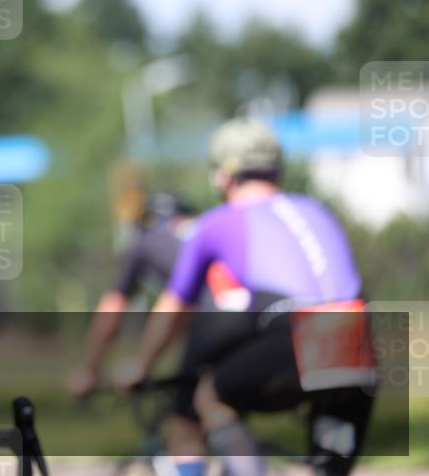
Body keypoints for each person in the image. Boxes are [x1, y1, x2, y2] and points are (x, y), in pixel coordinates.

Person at [114, 118, 376, 476]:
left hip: (297, 339)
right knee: (327, 461)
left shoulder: (217, 222)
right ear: (277, 170)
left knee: (210, 399)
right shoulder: (316, 209)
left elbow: (174, 307)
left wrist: (139, 365)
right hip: (357, 343)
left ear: (222, 177)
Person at [65, 192, 199, 399]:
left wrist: (92, 368)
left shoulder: (145, 243)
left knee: (183, 418)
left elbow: (113, 308)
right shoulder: (208, 229)